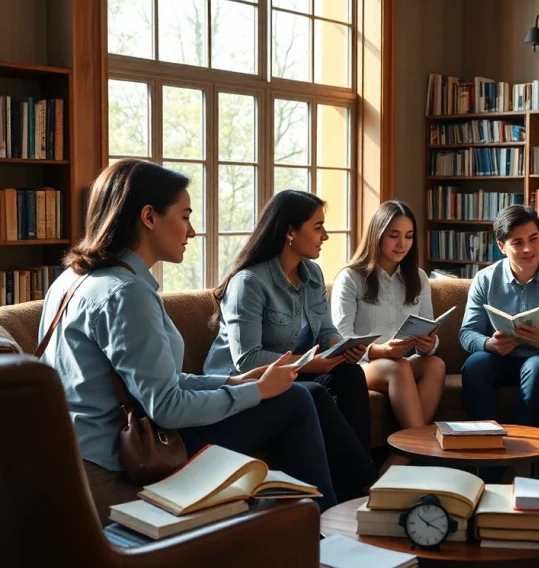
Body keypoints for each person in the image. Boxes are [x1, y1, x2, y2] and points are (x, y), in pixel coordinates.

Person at [39, 160, 336, 520]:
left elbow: (156, 382)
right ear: (149, 217)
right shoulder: (127, 293)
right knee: (295, 400)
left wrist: (231, 381)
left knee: (297, 395)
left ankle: (312, 523)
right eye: (185, 216)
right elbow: (166, 406)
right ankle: (327, 530)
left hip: (70, 449)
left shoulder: (71, 279)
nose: (192, 231)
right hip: (121, 457)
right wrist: (256, 392)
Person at [204, 189, 378, 501]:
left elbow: (327, 332)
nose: (325, 235)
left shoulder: (312, 273)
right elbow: (247, 360)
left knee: (351, 375)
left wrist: (344, 347)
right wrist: (310, 363)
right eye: (318, 227)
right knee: (312, 391)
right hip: (245, 381)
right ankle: (367, 483)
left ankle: (354, 484)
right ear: (289, 232)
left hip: (291, 375)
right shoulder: (249, 282)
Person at [331, 201, 446, 469]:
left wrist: (430, 343)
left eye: (408, 236)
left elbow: (429, 328)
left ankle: (403, 454)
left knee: (435, 364)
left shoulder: (417, 277)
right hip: (362, 366)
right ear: (377, 234)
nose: (401, 244)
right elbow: (340, 337)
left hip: (402, 361)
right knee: (398, 367)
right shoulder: (351, 277)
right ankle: (422, 447)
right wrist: (380, 351)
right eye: (393, 235)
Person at [459, 204, 539, 430]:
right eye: (517, 242)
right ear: (501, 246)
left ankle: (519, 448)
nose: (528, 248)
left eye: (534, 239)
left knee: (537, 367)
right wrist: (489, 344)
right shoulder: (484, 279)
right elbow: (467, 333)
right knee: (474, 366)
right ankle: (488, 445)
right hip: (499, 358)